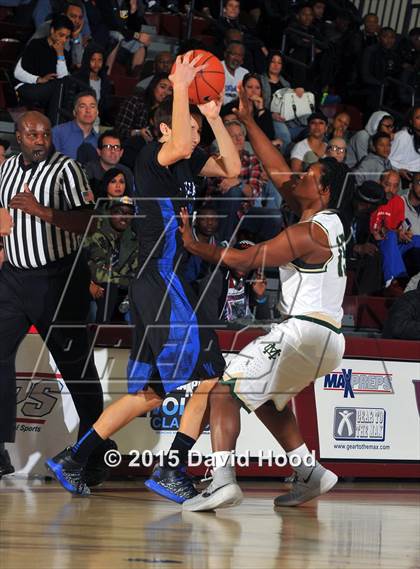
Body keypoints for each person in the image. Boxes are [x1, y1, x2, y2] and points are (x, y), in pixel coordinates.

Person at [45, 52, 241, 499]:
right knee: (208, 377)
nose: (196, 135)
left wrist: (211, 115)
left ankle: (73, 459)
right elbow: (183, 144)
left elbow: (231, 168)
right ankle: (171, 470)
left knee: (152, 392)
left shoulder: (187, 163)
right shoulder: (154, 157)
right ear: (167, 128)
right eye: (188, 125)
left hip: (161, 283)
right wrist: (181, 86)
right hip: (160, 281)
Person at [178, 86, 350, 511]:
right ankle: (309, 471)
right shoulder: (331, 222)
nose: (299, 175)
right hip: (330, 340)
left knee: (222, 391)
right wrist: (251, 121)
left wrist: (198, 246)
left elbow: (245, 259)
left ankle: (222, 480)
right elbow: (279, 176)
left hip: (303, 331)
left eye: (309, 176)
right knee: (270, 400)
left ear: (324, 191)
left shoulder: (306, 233)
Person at [0, 111, 111, 485]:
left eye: (45, 133)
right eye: (32, 133)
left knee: (76, 368)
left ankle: (90, 454)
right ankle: (0, 450)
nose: (40, 138)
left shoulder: (67, 170)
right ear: (18, 136)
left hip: (58, 278)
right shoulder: (6, 169)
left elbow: (90, 221)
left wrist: (42, 211)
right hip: (13, 279)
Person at [14, 14, 74, 124]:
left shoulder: (64, 54)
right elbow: (17, 73)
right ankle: (54, 128)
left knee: (62, 88)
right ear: (52, 31)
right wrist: (38, 79)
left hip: (49, 91)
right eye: (61, 35)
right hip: (27, 87)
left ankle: (56, 127)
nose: (63, 40)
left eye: (67, 37)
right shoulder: (36, 44)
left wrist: (60, 54)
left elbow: (64, 81)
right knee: (58, 87)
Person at [86, 196, 138, 323]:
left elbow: (135, 270)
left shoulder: (132, 240)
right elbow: (96, 272)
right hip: (91, 285)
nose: (125, 217)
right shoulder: (97, 233)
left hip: (119, 288)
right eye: (120, 212)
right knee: (109, 288)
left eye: (130, 213)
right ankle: (100, 334)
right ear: (111, 212)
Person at [52, 90, 99, 161]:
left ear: (97, 112)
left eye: (92, 106)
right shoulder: (58, 132)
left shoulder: (99, 140)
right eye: (83, 106)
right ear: (74, 112)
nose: (88, 110)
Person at [84, 130, 133, 197]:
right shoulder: (87, 171)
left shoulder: (126, 172)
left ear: (121, 153)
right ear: (99, 151)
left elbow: (129, 200)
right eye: (108, 147)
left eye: (116, 147)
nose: (113, 151)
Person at [389, 106, 420, 174]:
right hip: (404, 175)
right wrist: (398, 170)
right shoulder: (403, 136)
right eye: (418, 118)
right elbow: (388, 161)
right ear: (411, 121)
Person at [222, 41, 249, 105]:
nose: (237, 58)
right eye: (234, 54)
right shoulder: (215, 68)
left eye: (240, 55)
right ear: (225, 54)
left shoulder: (245, 73)